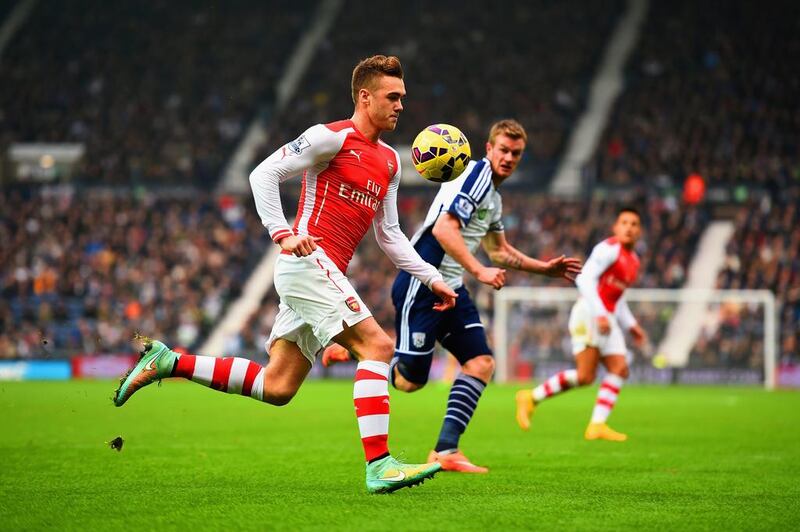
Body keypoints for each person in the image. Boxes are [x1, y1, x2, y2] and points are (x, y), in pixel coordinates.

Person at [113, 55, 458, 494]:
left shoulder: (389, 161)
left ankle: (170, 361)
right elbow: (264, 174)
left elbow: (389, 234)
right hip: (306, 262)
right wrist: (282, 232)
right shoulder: (329, 138)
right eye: (393, 97)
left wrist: (431, 277)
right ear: (364, 97)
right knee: (378, 344)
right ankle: (380, 465)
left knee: (278, 386)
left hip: (321, 271)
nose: (401, 106)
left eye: (403, 98)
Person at [326, 119, 581, 472]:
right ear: (488, 149)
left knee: (481, 363)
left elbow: (500, 252)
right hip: (424, 284)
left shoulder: (493, 195)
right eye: (503, 150)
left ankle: (446, 451)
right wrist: (478, 271)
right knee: (411, 381)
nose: (508, 158)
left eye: (516, 153)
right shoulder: (477, 175)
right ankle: (360, 350)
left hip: (453, 289)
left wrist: (545, 269)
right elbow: (446, 229)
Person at [515, 207, 647, 441]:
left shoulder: (634, 260)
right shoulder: (607, 250)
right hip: (589, 313)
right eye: (624, 222)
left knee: (620, 368)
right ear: (615, 228)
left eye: (634, 224)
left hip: (607, 316)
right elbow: (585, 279)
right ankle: (531, 397)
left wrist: (631, 324)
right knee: (586, 377)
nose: (629, 227)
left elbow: (618, 296)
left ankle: (597, 425)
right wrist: (600, 314)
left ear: (639, 231)